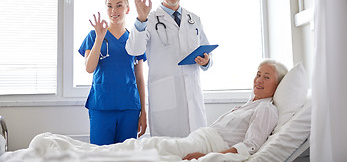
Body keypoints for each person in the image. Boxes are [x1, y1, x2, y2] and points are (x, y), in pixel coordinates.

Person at [23, 59, 288, 161]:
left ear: (278, 84)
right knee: (136, 148)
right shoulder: (250, 104)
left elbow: (251, 146)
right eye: (257, 74)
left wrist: (206, 156)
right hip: (195, 139)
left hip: (202, 146)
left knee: (139, 151)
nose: (258, 80)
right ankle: (58, 148)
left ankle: (59, 150)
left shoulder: (267, 110)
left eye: (266, 77)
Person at [125, 0, 212, 138]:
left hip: (192, 94)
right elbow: (134, 50)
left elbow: (206, 52)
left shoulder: (193, 19)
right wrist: (141, 19)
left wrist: (206, 61)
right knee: (168, 150)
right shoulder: (149, 19)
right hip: (165, 96)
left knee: (197, 149)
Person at [78, 0, 147, 145]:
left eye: (119, 6)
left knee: (126, 155)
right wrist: (99, 38)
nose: (114, 10)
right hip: (102, 106)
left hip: (129, 107)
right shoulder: (93, 36)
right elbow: (89, 68)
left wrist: (143, 111)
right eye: (109, 6)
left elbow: (140, 79)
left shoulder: (134, 39)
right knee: (101, 155)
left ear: (127, 9)